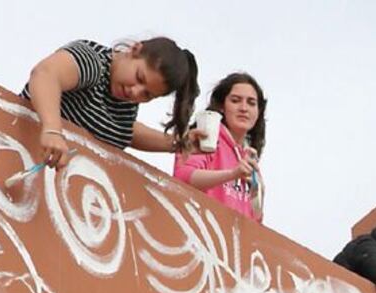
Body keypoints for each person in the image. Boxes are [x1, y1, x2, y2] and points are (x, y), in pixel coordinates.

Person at [23, 37, 200, 167]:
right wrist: (52, 130)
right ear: (135, 50)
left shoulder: (126, 106)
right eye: (139, 77)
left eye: (147, 95)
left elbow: (125, 130)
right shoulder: (94, 62)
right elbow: (46, 74)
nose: (135, 92)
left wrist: (177, 143)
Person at [174, 73, 267, 222]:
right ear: (222, 106)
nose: (244, 108)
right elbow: (182, 176)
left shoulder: (249, 157)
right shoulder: (207, 137)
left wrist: (259, 192)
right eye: (235, 101)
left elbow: (255, 220)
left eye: (251, 103)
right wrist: (232, 174)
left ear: (258, 111)